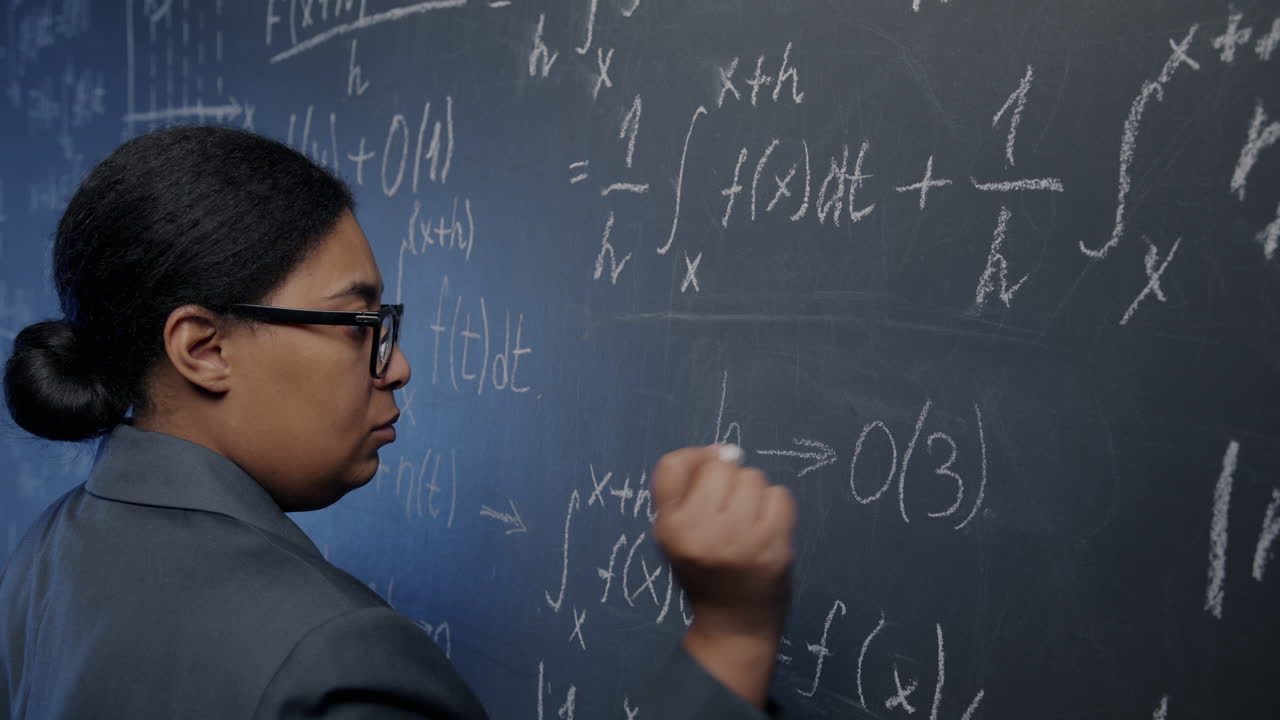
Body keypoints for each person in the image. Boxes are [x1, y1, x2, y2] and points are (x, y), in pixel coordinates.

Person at [0, 126, 797, 718]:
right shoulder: (333, 658)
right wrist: (731, 636)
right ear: (204, 348)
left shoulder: (45, 557)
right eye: (358, 323)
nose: (397, 365)